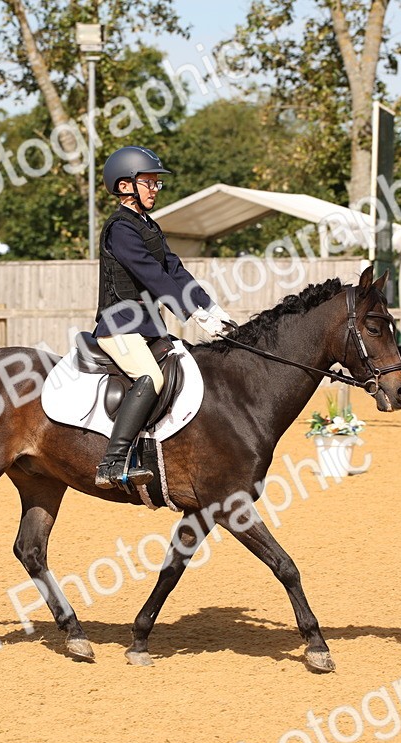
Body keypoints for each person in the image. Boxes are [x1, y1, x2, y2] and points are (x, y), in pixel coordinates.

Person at [92, 145, 234, 489]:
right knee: (150, 377)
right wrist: (190, 313)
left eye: (158, 184)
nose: (155, 189)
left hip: (147, 326)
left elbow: (174, 269)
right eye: (149, 183)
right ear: (126, 186)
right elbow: (150, 275)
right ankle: (112, 462)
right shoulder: (120, 229)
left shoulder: (147, 225)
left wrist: (210, 308)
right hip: (119, 326)